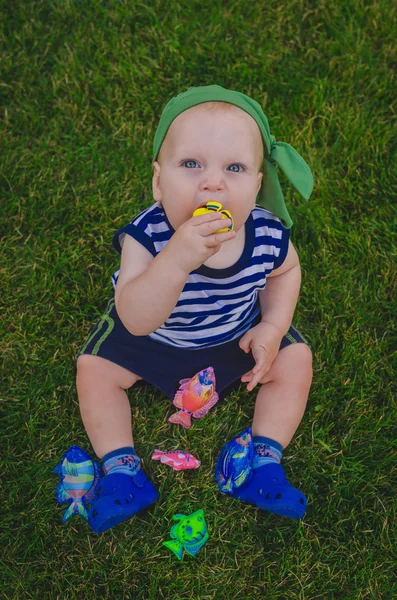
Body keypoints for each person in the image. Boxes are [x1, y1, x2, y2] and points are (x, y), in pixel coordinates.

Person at [75, 85, 314, 534]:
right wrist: (177, 259)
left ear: (258, 184)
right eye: (191, 164)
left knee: (296, 359)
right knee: (94, 371)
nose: (212, 182)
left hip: (232, 333)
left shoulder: (264, 233)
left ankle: (263, 462)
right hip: (153, 339)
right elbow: (137, 318)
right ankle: (122, 469)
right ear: (157, 180)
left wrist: (273, 324)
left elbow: (286, 270)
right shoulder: (145, 237)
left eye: (235, 168)